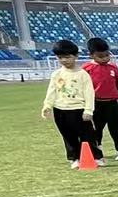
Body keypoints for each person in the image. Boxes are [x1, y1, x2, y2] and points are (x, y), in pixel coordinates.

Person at [41, 39, 96, 168]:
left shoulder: (83, 75)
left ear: (76, 56)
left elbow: (89, 93)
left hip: (78, 109)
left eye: (67, 57)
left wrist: (88, 110)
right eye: (60, 57)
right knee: (68, 135)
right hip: (60, 110)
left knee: (87, 135)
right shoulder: (57, 74)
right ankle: (74, 158)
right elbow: (52, 91)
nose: (64, 60)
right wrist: (47, 105)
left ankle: (95, 156)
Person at [84, 37, 118, 161]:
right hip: (95, 104)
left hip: (113, 103)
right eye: (101, 56)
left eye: (107, 55)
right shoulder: (86, 69)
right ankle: (97, 149)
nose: (105, 58)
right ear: (91, 55)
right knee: (95, 128)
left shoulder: (113, 68)